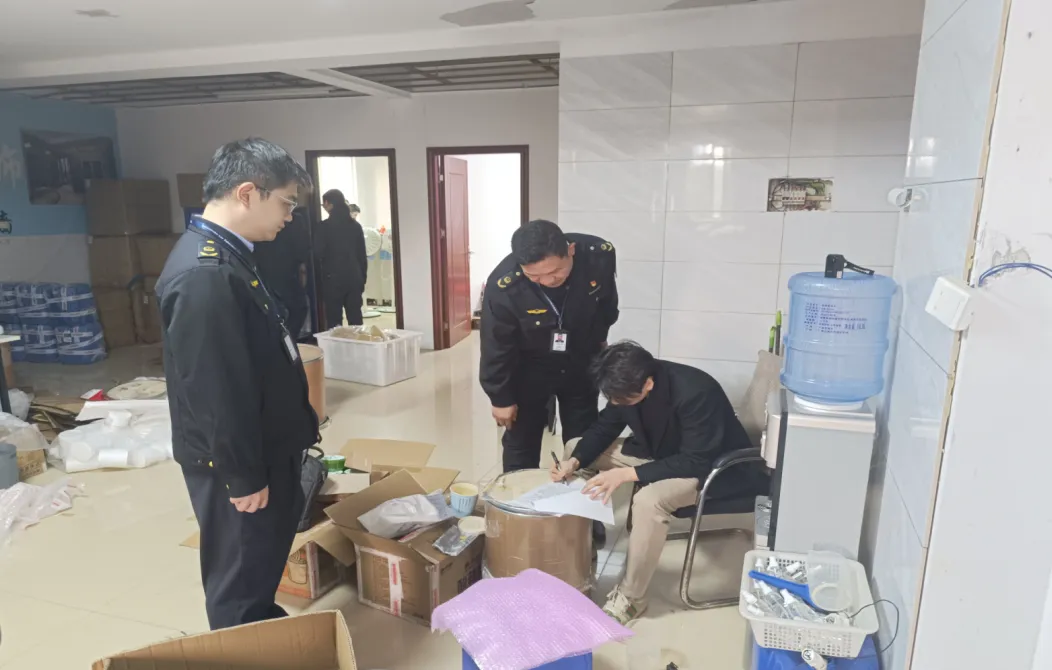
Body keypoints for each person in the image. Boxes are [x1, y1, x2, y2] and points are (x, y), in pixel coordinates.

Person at [157, 138, 319, 630]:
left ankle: (261, 627)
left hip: (262, 445)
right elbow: (215, 389)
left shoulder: (232, 254)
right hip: (239, 461)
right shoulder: (204, 275)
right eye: (286, 203)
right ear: (247, 193)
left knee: (260, 564)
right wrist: (243, 475)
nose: (289, 216)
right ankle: (241, 643)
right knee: (240, 578)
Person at [550, 341, 767, 625]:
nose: (616, 403)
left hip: (711, 470)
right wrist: (575, 462)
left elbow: (696, 460)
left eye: (622, 400)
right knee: (575, 447)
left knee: (649, 501)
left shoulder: (696, 391)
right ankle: (582, 542)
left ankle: (632, 598)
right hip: (660, 452)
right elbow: (604, 428)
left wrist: (627, 474)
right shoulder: (625, 385)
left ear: (648, 384)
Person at [480, 219, 619, 474]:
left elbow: (607, 304)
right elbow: (496, 343)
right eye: (534, 276)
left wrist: (600, 340)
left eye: (555, 272)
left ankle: (579, 494)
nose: (546, 281)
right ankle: (520, 495)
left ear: (570, 251)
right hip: (528, 366)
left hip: (580, 357)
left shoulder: (598, 256)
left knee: (582, 437)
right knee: (521, 440)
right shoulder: (504, 285)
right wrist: (500, 397)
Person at [254, 205, 311, 338]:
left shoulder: (258, 217)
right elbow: (302, 248)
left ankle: (282, 341)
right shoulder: (295, 220)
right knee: (298, 309)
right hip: (287, 273)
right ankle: (287, 342)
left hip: (262, 273)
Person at [317, 190, 367, 327]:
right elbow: (362, 256)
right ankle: (359, 341)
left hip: (332, 279)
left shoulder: (323, 227)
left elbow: (318, 253)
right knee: (355, 319)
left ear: (328, 204)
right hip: (354, 278)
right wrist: (362, 279)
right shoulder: (355, 226)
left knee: (334, 321)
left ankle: (336, 342)